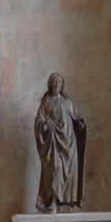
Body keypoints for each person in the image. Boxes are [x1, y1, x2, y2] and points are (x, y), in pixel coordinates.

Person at [34, 72, 86, 213]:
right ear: (50, 84)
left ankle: (65, 201)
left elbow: (75, 118)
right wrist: (45, 125)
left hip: (69, 143)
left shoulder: (67, 102)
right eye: (54, 82)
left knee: (68, 174)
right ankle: (52, 201)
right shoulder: (46, 102)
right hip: (53, 143)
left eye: (59, 82)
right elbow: (39, 120)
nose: (56, 84)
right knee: (55, 169)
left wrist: (80, 124)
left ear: (62, 85)